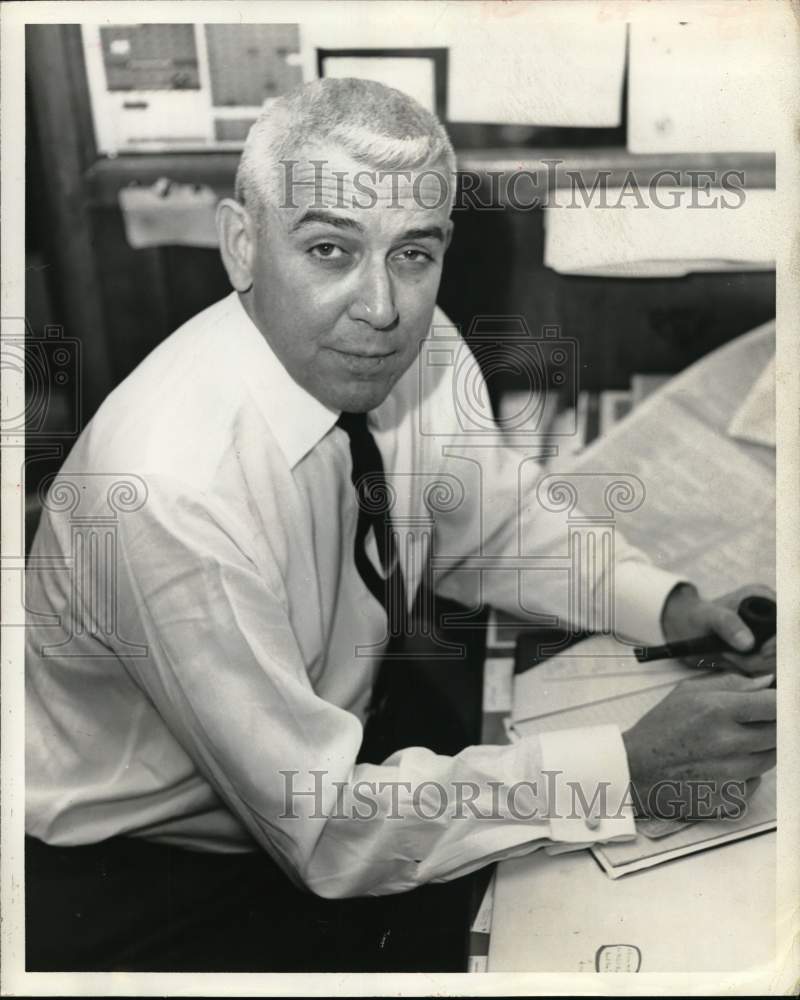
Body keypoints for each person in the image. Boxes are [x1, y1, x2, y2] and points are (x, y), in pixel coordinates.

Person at [25, 78, 776, 971]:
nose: (380, 306)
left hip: (339, 739)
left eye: (413, 254)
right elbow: (327, 833)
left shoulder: (404, 340)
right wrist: (625, 768)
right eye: (330, 250)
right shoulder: (169, 490)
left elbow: (490, 523)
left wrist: (667, 605)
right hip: (153, 861)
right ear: (241, 246)